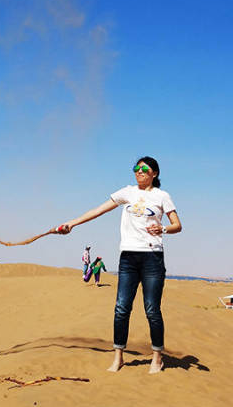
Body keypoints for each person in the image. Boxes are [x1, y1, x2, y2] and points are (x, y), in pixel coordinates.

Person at [57, 156, 182, 374]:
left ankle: (157, 358)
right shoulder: (127, 192)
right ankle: (118, 357)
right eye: (136, 168)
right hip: (128, 257)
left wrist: (162, 229)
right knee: (121, 308)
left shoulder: (163, 196)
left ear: (154, 173)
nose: (139, 171)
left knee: (152, 309)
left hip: (152, 257)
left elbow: (177, 225)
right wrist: (72, 223)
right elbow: (98, 210)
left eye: (144, 169)